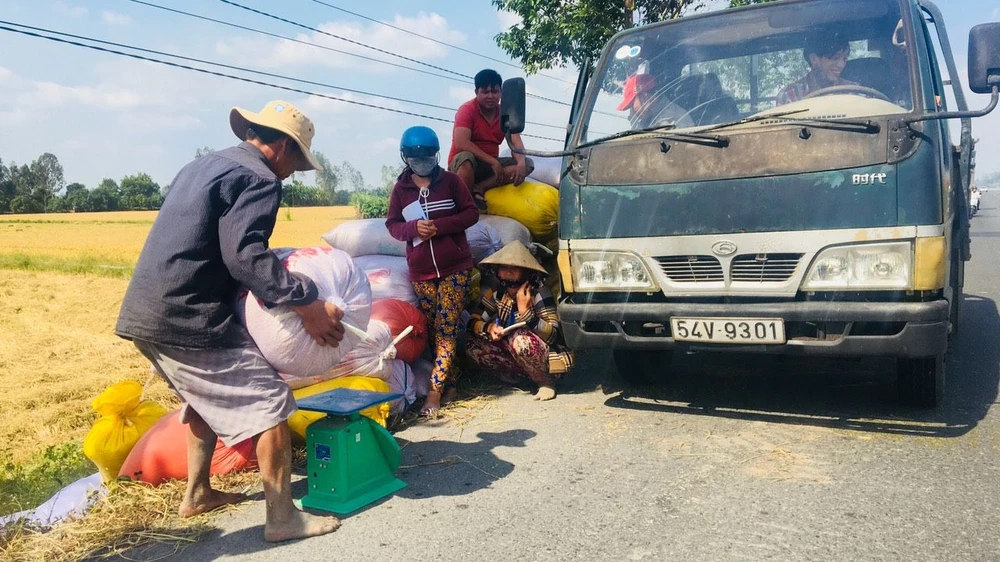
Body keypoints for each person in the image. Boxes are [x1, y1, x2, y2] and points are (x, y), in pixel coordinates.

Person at [115, 100, 343, 542]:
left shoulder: (205, 165)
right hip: (189, 314)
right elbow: (247, 257)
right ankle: (282, 518)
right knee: (271, 405)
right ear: (280, 146)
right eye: (295, 160)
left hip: (146, 312)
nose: (293, 172)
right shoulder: (259, 178)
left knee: (204, 397)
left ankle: (198, 492)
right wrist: (306, 302)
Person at [386, 126, 479, 416]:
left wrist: (440, 227)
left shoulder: (451, 182)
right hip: (422, 272)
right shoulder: (401, 190)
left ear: (435, 155)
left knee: (447, 327)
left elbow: (471, 213)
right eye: (416, 157)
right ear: (406, 158)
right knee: (435, 330)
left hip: (455, 267)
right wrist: (413, 228)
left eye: (427, 156)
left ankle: (435, 393)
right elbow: (392, 225)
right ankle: (452, 383)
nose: (422, 161)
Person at [465, 241, 573, 401]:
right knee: (471, 345)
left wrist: (527, 314)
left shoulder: (539, 293)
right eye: (504, 267)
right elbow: (473, 321)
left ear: (526, 272)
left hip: (549, 359)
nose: (508, 272)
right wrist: (488, 328)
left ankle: (545, 382)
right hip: (515, 356)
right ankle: (518, 379)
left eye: (514, 268)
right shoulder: (497, 294)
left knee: (520, 339)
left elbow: (555, 335)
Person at [447, 68, 534, 211]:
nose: (490, 96)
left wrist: (520, 162)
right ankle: (466, 204)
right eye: (485, 92)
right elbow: (461, 143)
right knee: (466, 158)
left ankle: (479, 188)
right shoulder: (467, 110)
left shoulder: (504, 113)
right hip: (465, 165)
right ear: (476, 93)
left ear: (501, 93)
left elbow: (515, 140)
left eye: (494, 91)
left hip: (489, 168)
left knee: (528, 163)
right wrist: (493, 161)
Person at [777, 37, 853, 105]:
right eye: (835, 58)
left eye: (844, 59)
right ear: (814, 59)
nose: (841, 65)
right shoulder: (790, 95)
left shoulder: (853, 91)